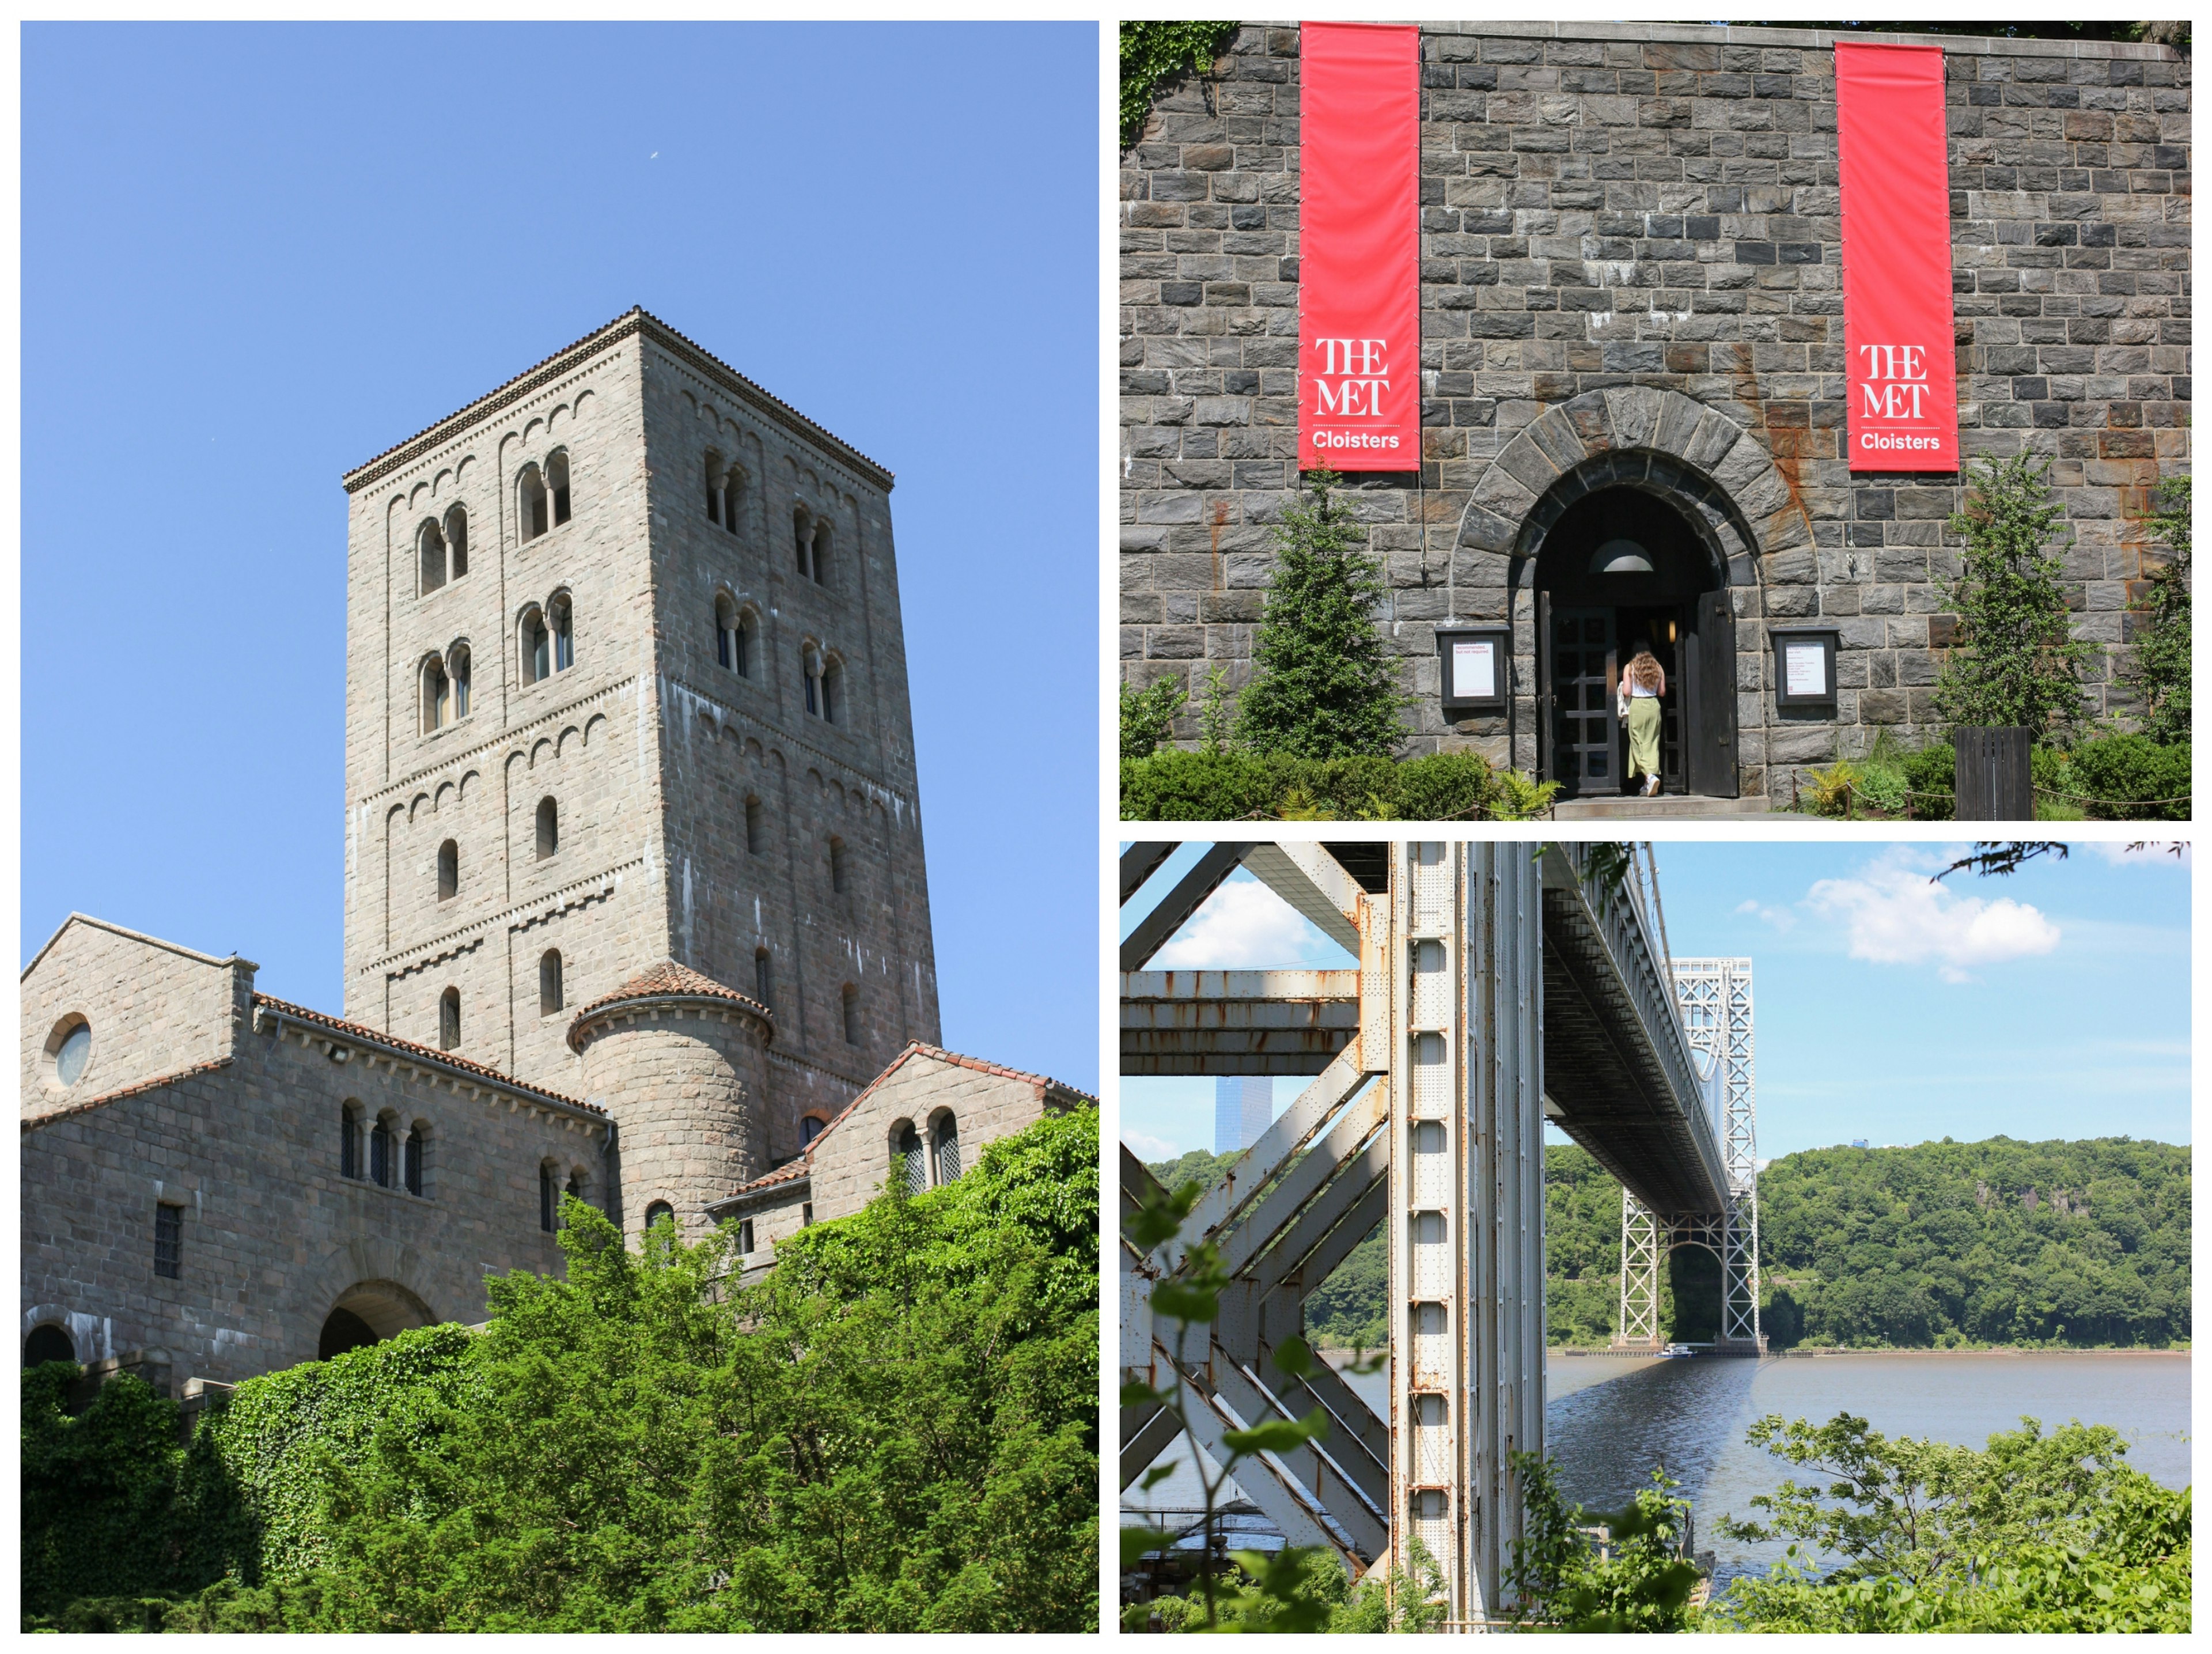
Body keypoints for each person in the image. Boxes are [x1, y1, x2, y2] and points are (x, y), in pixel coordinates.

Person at [1616, 641, 1665, 797]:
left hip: (1638, 705)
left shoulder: (1629, 667)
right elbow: (1662, 692)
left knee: (1637, 743)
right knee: (1652, 743)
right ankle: (1647, 783)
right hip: (1654, 706)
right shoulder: (1658, 667)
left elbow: (1626, 691)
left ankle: (1650, 776)